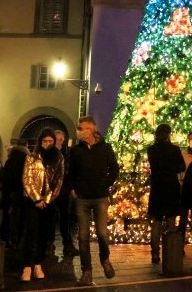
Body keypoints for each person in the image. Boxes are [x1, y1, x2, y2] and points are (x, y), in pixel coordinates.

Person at [70, 116, 119, 286]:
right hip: (82, 198)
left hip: (100, 197)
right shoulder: (76, 150)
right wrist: (73, 190)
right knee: (83, 236)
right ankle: (87, 271)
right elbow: (71, 173)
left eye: (81, 128)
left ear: (91, 130)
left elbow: (114, 169)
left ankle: (105, 260)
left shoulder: (105, 148)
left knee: (102, 233)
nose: (79, 131)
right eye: (79, 128)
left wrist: (105, 184)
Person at [20, 129, 64, 282]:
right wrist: (37, 199)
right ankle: (26, 266)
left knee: (44, 234)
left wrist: (47, 199)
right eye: (44, 141)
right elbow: (27, 179)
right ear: (40, 142)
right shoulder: (32, 157)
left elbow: (59, 180)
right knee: (31, 232)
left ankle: (38, 262)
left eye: (50, 141)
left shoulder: (58, 158)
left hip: (48, 202)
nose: (47, 144)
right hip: (32, 201)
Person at [146, 123, 185, 264]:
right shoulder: (174, 149)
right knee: (170, 221)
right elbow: (182, 166)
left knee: (156, 221)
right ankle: (170, 251)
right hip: (171, 187)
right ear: (168, 134)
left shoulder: (151, 150)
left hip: (157, 187)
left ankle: (155, 253)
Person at [0, 139, 29, 249]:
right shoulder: (27, 159)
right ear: (26, 146)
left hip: (8, 193)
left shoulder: (9, 160)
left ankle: (5, 240)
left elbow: (5, 177)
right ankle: (18, 240)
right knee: (21, 217)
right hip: (21, 193)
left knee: (7, 217)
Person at [53, 128, 78, 256]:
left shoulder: (66, 153)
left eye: (62, 141)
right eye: (59, 141)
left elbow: (69, 172)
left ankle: (67, 244)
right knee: (51, 218)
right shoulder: (51, 154)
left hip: (63, 191)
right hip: (51, 192)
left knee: (65, 218)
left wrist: (70, 188)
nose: (61, 143)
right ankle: (49, 244)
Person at [178, 132, 192, 241]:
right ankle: (180, 242)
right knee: (183, 218)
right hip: (185, 188)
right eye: (190, 139)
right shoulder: (183, 155)